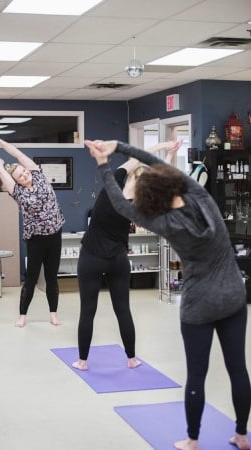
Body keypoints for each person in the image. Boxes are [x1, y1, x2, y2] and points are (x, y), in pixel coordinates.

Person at [85, 139, 251, 450]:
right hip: (232, 296)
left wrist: (103, 163)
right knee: (237, 368)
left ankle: (192, 440)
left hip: (199, 304)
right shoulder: (201, 197)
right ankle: (242, 435)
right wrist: (119, 146)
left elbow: (120, 204)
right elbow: (152, 160)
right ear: (174, 181)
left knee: (196, 376)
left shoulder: (160, 221)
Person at [72, 140, 181, 371]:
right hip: (118, 260)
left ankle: (82, 361)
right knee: (123, 310)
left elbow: (137, 156)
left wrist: (162, 145)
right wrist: (170, 156)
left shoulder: (113, 183)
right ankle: (131, 359)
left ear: (131, 176)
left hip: (91, 256)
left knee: (87, 311)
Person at [0, 130, 65, 328]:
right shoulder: (16, 191)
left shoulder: (38, 174)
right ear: (17, 180)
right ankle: (22, 316)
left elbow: (18, 154)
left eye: (25, 171)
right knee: (31, 278)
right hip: (36, 239)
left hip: (55, 234)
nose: (25, 174)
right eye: (21, 175)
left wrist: (0, 141)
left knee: (51, 277)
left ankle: (53, 314)